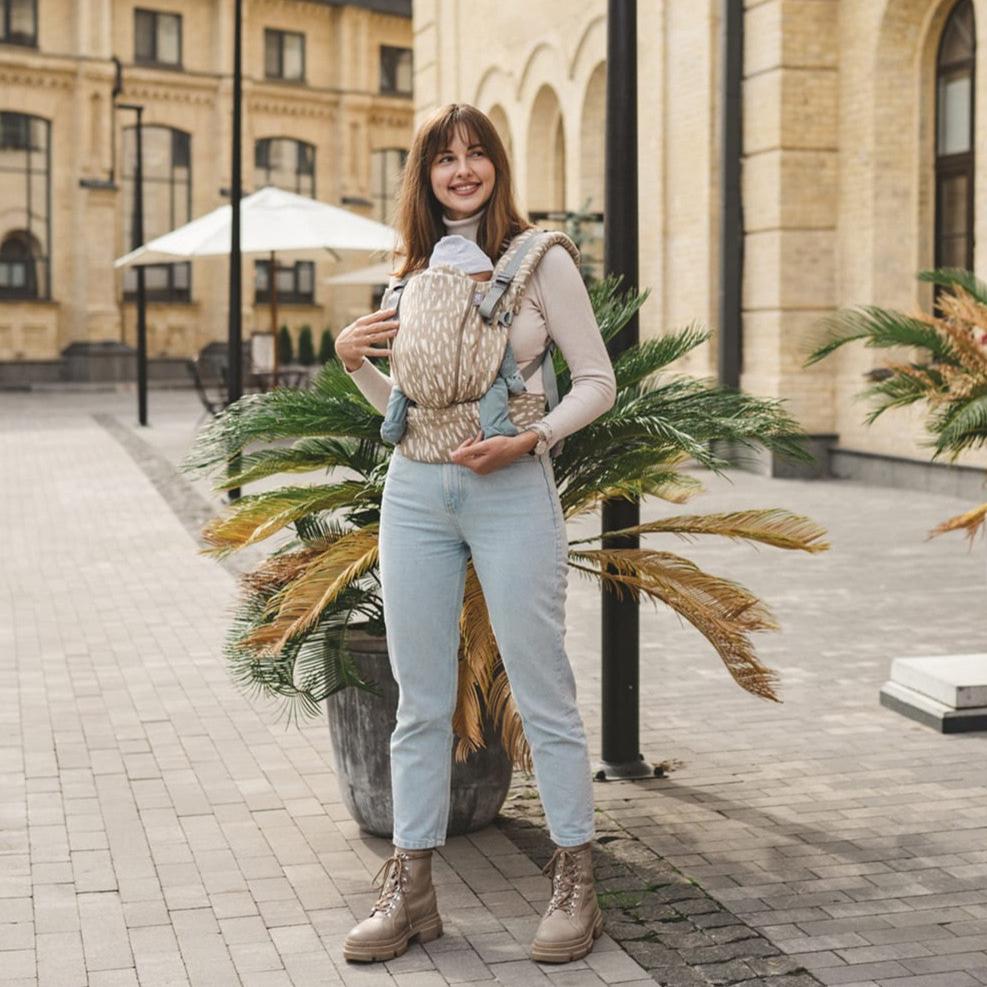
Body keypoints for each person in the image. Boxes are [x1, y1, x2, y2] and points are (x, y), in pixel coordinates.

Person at [333, 103, 617, 966]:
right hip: (415, 490)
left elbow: (597, 381)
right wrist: (355, 362)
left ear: (497, 164)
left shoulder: (540, 258)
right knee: (421, 698)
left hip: (509, 488)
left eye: (476, 154)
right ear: (423, 175)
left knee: (542, 688)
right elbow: (406, 413)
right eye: (444, 158)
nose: (461, 169)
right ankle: (411, 887)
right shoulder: (410, 271)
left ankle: (575, 877)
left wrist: (534, 438)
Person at [379, 233, 528, 445]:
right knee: (494, 383)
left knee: (401, 387)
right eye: (483, 280)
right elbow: (497, 343)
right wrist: (513, 378)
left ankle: (392, 425)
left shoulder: (412, 295)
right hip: (466, 377)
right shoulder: (477, 298)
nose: (485, 285)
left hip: (417, 375)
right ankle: (496, 427)